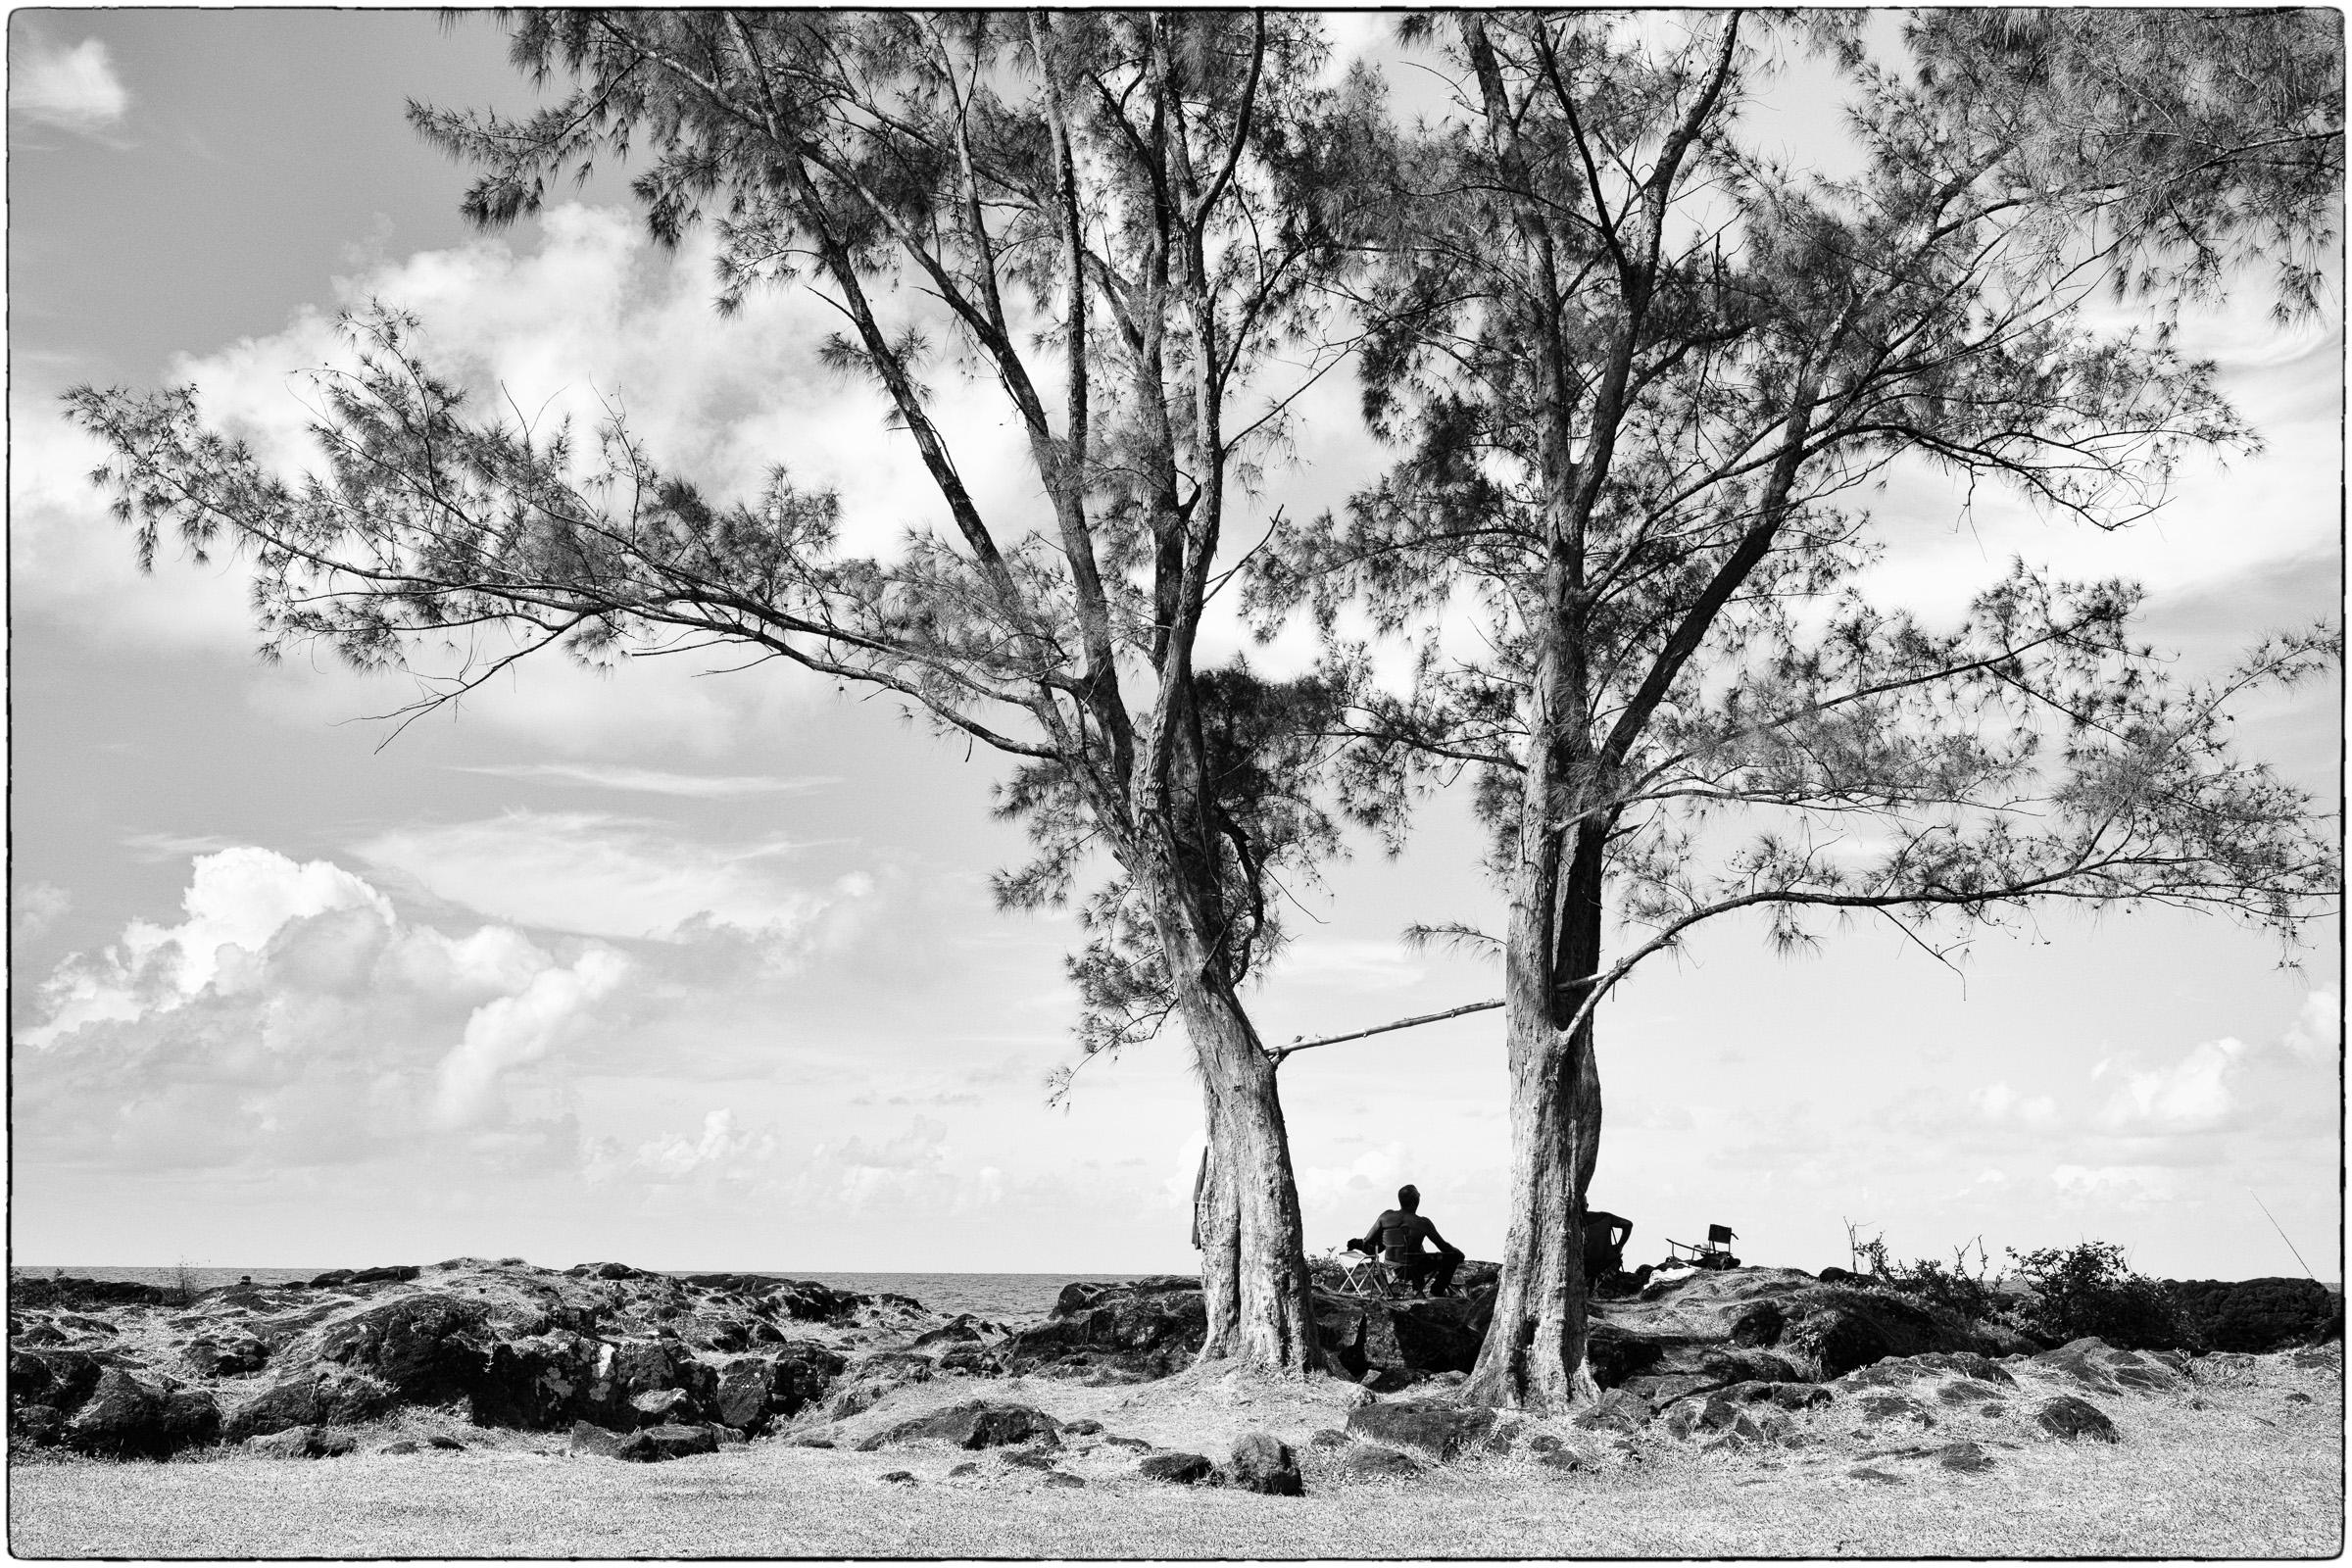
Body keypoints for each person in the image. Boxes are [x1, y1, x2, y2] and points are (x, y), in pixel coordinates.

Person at [1357, 1184, 1464, 1298]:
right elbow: (1444, 1247)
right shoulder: (1423, 1223)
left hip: (1391, 1269)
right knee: (1452, 1257)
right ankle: (1435, 1292)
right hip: (1414, 1270)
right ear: (1416, 1201)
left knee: (1416, 1254)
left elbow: (1367, 1240)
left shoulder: (1385, 1216)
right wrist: (1457, 1252)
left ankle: (1417, 1290)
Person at [1582, 1208, 1633, 1283]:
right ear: (1586, 1206)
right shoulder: (1604, 1216)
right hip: (1604, 1260)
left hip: (1583, 1263)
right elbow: (1628, 1224)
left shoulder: (1571, 1223)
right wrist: (1620, 1246)